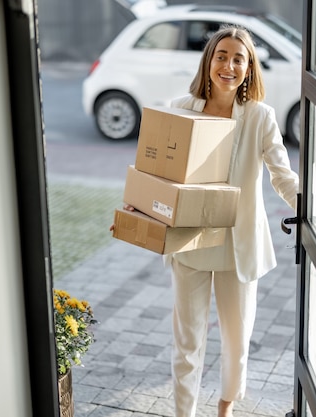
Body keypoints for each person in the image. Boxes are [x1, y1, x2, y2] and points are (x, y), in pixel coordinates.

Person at [114, 25, 299, 417]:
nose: (228, 65)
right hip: (190, 242)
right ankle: (185, 412)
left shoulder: (260, 117)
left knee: (237, 338)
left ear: (249, 69)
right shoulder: (181, 108)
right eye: (221, 56)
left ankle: (226, 406)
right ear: (208, 61)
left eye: (238, 59)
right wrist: (139, 205)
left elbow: (281, 175)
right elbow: (156, 172)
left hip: (237, 244)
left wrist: (308, 206)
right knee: (188, 339)